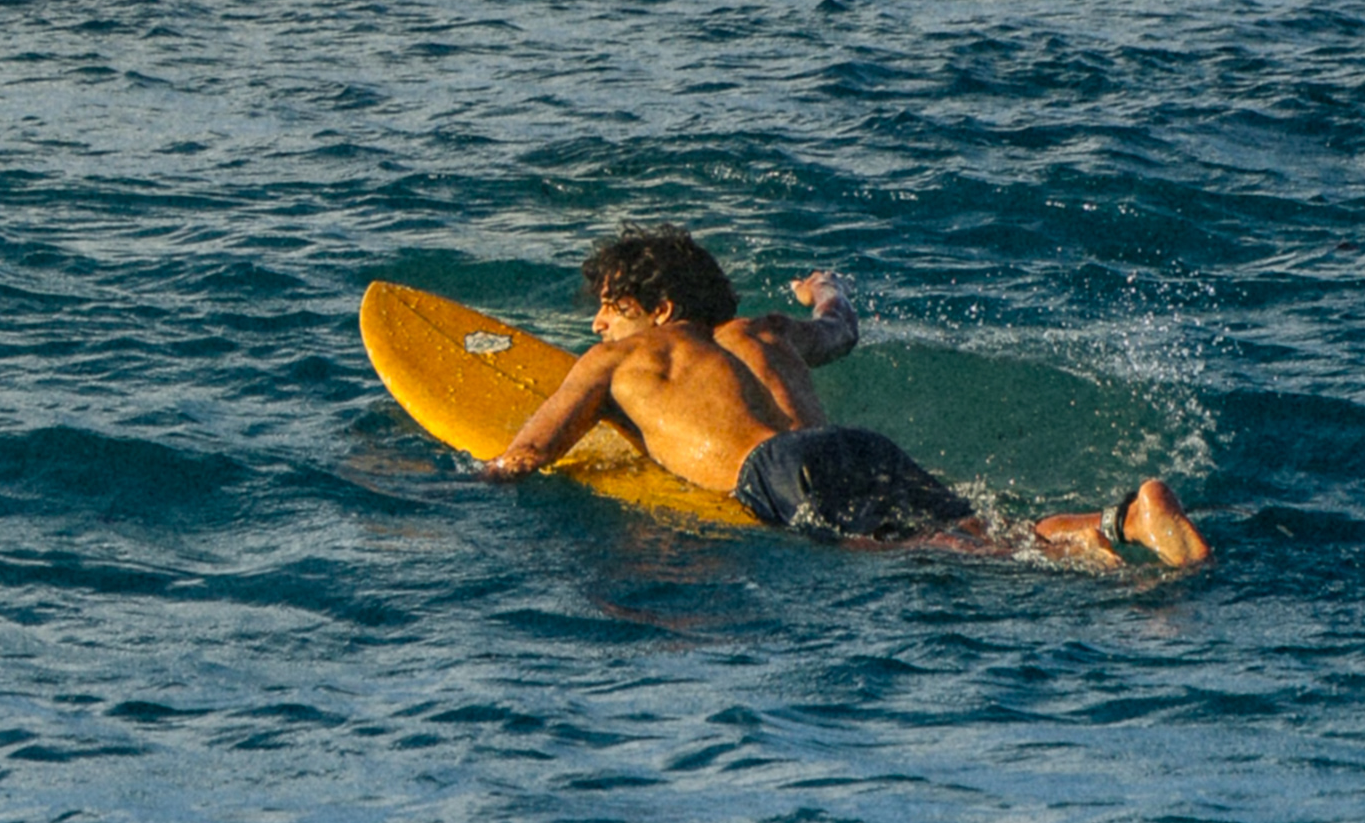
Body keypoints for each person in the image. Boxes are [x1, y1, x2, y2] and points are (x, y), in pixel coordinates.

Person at [483, 224, 1210, 568]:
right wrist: (826, 285)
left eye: (611, 306)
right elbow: (842, 327)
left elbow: (529, 452)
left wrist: (457, 485)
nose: (596, 321)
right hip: (850, 443)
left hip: (774, 470)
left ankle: (1098, 549)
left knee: (931, 548)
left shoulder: (613, 358)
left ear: (662, 310)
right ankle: (1123, 519)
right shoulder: (765, 332)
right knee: (987, 522)